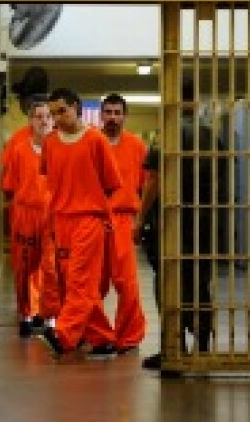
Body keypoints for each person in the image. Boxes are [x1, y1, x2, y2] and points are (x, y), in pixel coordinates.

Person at [135, 80, 229, 370]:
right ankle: (201, 345)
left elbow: (154, 182)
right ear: (198, 103)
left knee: (169, 281)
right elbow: (221, 181)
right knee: (200, 281)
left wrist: (139, 219)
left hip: (172, 221)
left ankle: (173, 347)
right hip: (203, 220)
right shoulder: (213, 138)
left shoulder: (167, 137)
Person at [37, 88, 122, 360]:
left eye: (62, 111)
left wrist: (92, 207)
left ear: (76, 108)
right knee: (71, 283)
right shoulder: (50, 143)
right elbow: (50, 177)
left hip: (88, 218)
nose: (58, 118)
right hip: (61, 220)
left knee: (80, 282)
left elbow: (110, 184)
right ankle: (102, 338)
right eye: (53, 114)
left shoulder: (95, 140)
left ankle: (62, 335)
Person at [0, 97, 59, 336]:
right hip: (26, 213)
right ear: (30, 121)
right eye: (39, 117)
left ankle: (50, 315)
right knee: (24, 268)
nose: (44, 121)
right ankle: (26, 313)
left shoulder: (60, 149)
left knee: (51, 268)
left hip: (52, 215)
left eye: (48, 117)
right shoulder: (19, 150)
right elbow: (9, 187)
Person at [99, 93, 147, 353]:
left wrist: (140, 220)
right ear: (101, 115)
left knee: (126, 282)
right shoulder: (92, 143)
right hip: (94, 220)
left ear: (125, 116)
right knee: (91, 283)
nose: (113, 118)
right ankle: (95, 333)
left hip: (124, 220)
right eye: (108, 112)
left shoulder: (136, 146)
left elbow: (145, 186)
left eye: (118, 113)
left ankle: (128, 336)